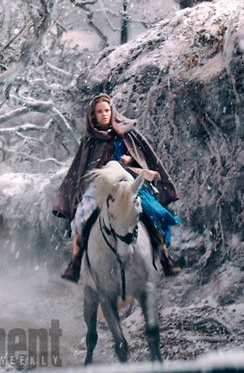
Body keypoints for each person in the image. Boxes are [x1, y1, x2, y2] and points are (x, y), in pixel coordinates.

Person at [52, 93, 181, 282]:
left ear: (112, 111)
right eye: (99, 111)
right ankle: (76, 262)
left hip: (127, 179)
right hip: (101, 184)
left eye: (107, 110)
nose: (104, 114)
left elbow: (142, 157)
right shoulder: (90, 140)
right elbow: (82, 168)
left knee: (152, 211)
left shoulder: (125, 133)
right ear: (93, 115)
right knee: (81, 215)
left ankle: (164, 257)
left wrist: (130, 160)